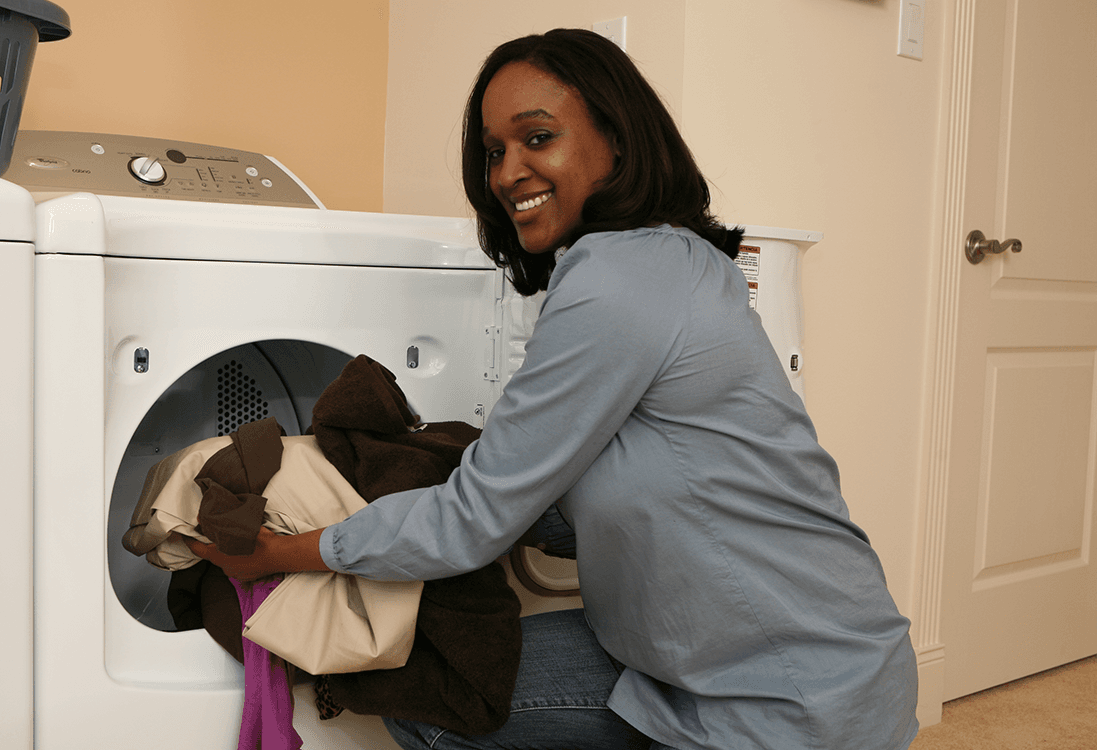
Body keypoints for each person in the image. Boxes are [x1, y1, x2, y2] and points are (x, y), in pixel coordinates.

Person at [188, 28, 919, 750]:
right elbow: (595, 498)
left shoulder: (613, 280)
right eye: (495, 150)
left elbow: (473, 521)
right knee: (465, 656)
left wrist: (280, 552)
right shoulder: (683, 259)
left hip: (784, 705)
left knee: (435, 696)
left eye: (538, 138)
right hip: (840, 666)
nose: (509, 173)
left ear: (618, 142)